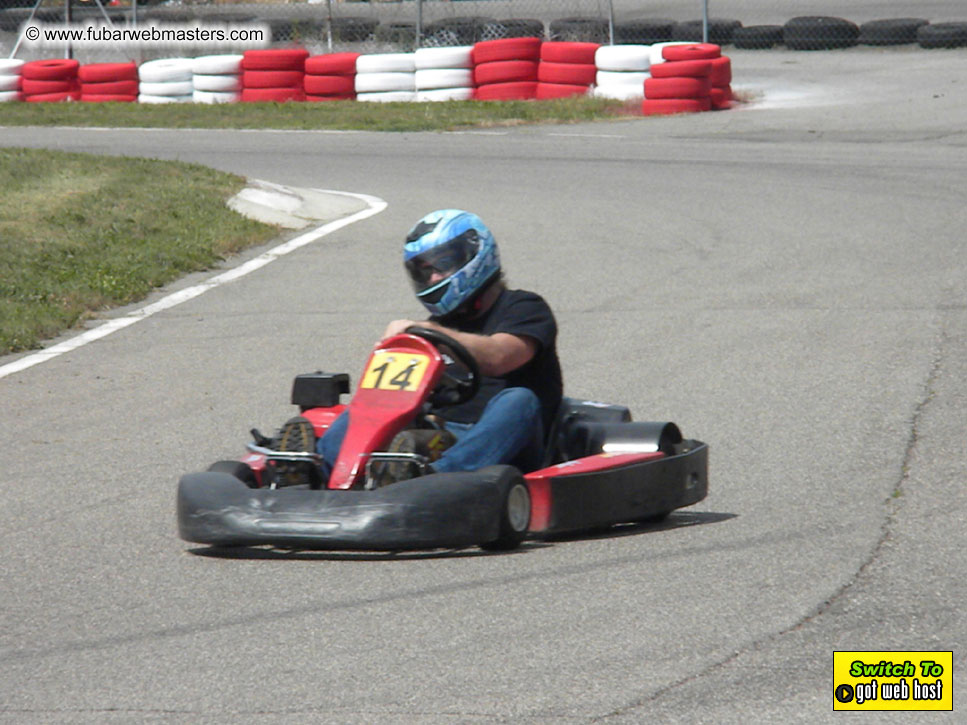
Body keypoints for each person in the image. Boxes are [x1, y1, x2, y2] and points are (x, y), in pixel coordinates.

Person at [278, 209, 563, 486]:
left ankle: (436, 481)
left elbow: (499, 357)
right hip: (441, 436)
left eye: (442, 265)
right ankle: (315, 470)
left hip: (509, 445)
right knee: (370, 406)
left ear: (475, 254)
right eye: (424, 272)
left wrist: (430, 332)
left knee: (519, 399)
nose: (434, 279)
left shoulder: (525, 308)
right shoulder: (431, 329)